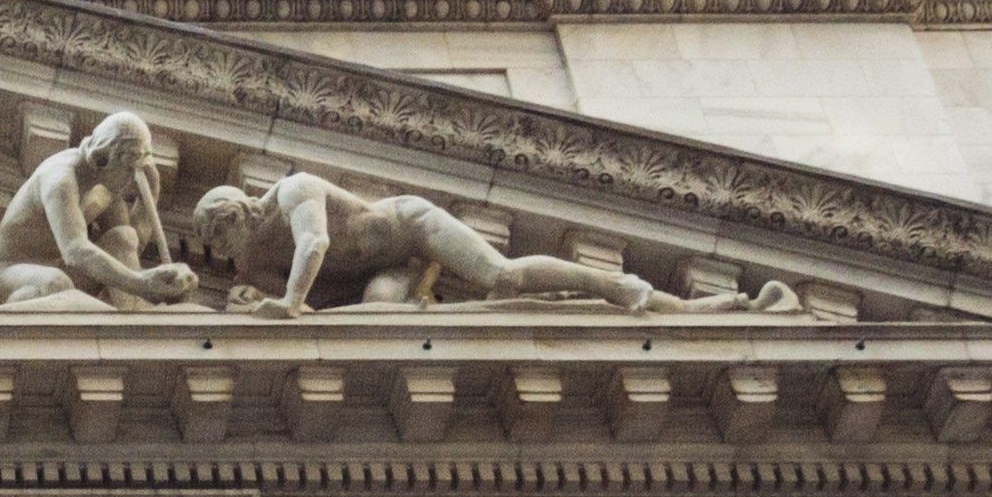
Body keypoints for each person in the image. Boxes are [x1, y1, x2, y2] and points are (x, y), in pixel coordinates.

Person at [182, 166, 665, 313]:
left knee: (502, 275)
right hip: (389, 270)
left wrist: (287, 301)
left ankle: (613, 286)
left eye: (222, 239)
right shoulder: (255, 259)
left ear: (238, 215)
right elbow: (304, 305)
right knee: (376, 319)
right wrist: (252, 298)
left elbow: (315, 244)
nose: (224, 254)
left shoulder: (293, 190)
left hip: (411, 227)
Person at [0, 110, 195, 308]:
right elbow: (75, 250)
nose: (132, 178)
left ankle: (134, 321)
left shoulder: (105, 184)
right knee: (55, 284)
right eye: (129, 169)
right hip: (7, 273)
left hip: (61, 270)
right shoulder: (61, 179)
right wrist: (142, 283)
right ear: (105, 158)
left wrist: (152, 191)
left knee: (123, 236)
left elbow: (128, 249)